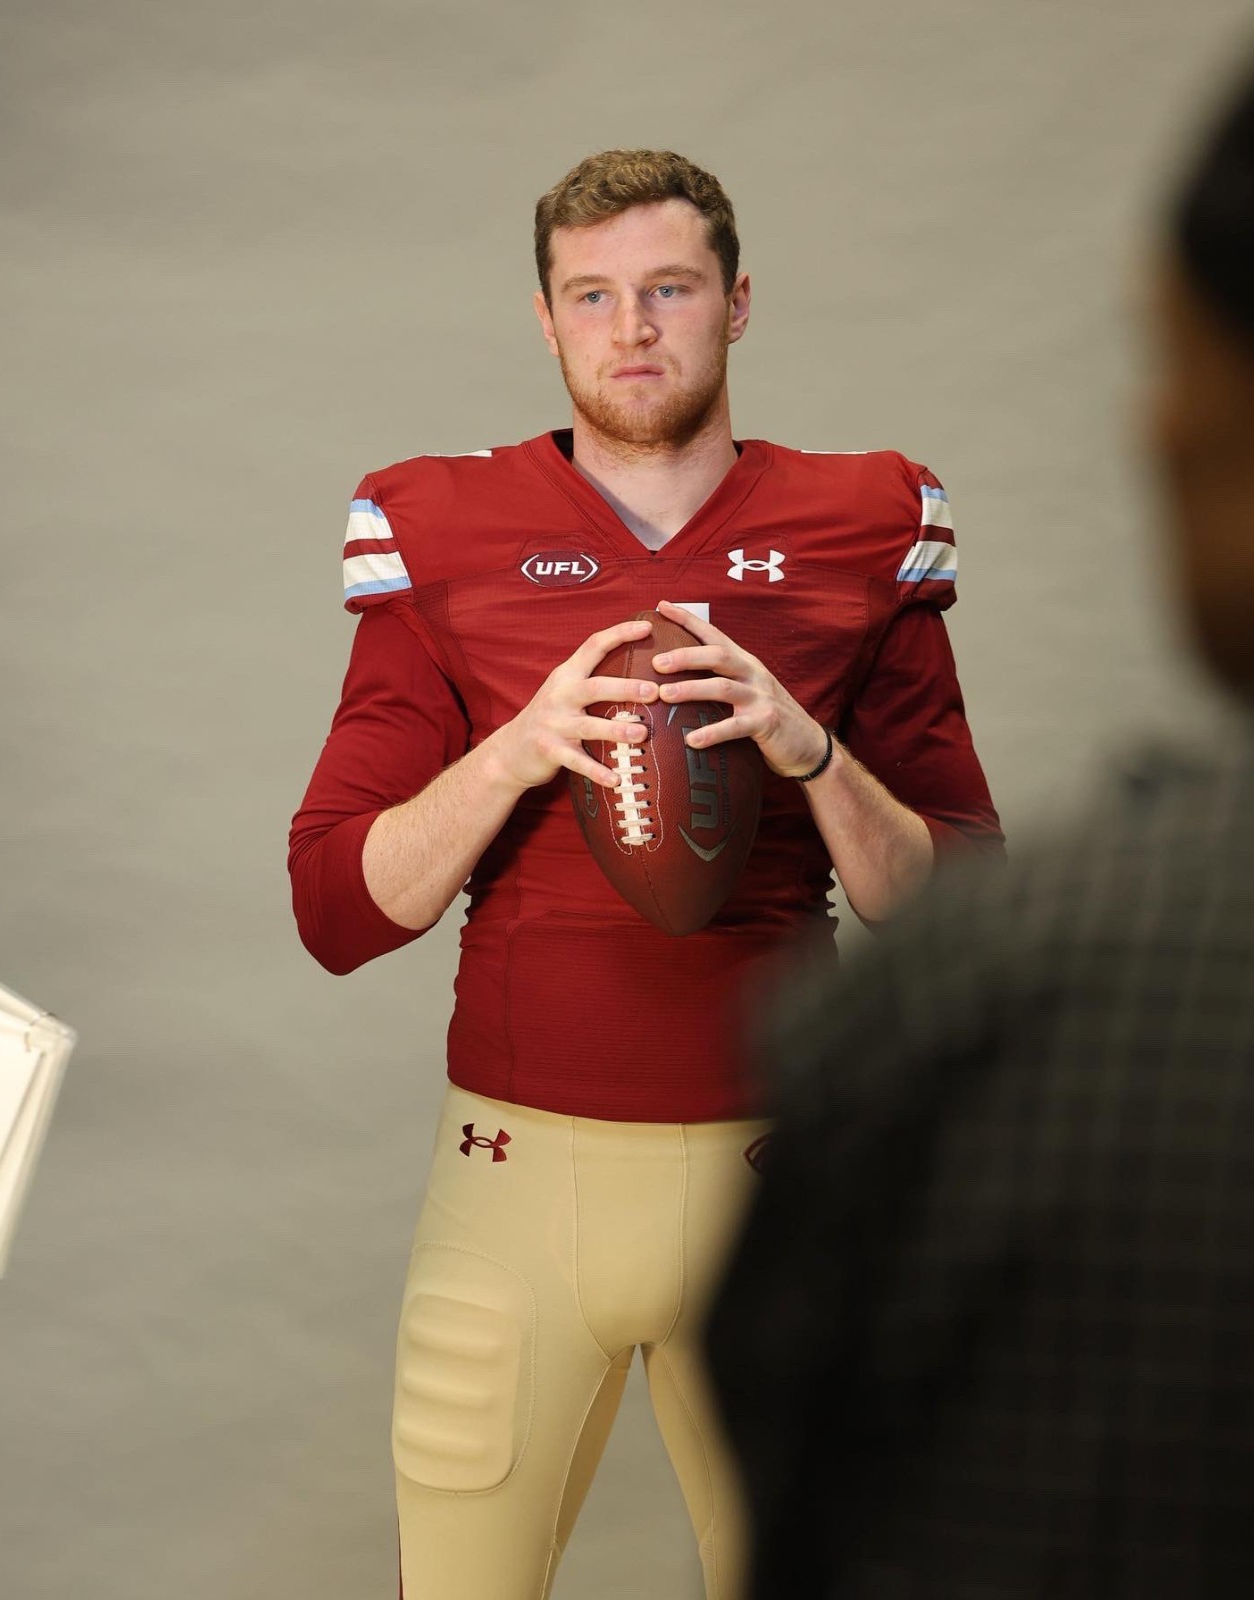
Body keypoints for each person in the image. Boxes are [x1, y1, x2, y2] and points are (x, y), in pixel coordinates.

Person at [288, 149, 1003, 1599]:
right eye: (592, 295)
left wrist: (811, 752)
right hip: (513, 1187)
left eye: (668, 290)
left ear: (736, 303)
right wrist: (515, 753)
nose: (630, 329)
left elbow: (962, 920)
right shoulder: (440, 526)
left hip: (785, 1181)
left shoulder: (862, 522)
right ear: (545, 317)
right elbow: (337, 911)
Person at [705, 64, 1254, 1600]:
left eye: (1168, 361)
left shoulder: (979, 1000)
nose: (1149, 427)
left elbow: (797, 1513)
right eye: (595, 294)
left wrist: (813, 753)